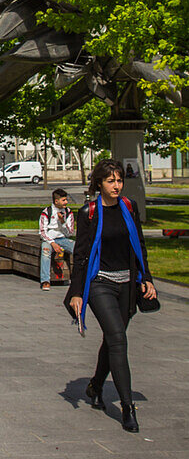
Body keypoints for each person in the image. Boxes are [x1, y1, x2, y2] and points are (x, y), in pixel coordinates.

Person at [65, 158, 158, 433]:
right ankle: (128, 408)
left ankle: (95, 384)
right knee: (118, 338)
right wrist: (76, 292)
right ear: (99, 184)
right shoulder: (89, 212)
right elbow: (81, 255)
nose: (116, 186)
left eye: (119, 180)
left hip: (127, 283)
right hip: (100, 283)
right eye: (111, 181)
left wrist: (147, 278)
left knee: (113, 339)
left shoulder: (129, 207)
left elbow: (139, 245)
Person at [38, 187, 75, 291]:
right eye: (63, 200)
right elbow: (42, 232)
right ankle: (45, 281)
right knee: (45, 251)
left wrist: (63, 222)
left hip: (63, 239)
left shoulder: (68, 213)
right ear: (56, 201)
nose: (66, 202)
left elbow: (70, 233)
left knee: (78, 248)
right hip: (49, 239)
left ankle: (80, 277)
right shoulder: (47, 212)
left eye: (66, 200)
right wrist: (52, 243)